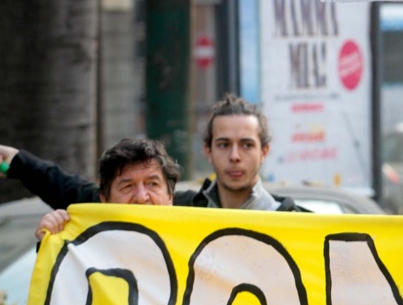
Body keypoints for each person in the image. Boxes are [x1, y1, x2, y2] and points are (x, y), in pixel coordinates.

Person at [1, 94, 300, 211]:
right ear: (207, 151)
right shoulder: (174, 207)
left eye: (247, 144)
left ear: (265, 151)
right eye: (224, 144)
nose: (235, 156)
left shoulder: (295, 222)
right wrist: (17, 163)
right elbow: (83, 195)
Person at [34, 137, 181, 240]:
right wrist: (51, 241)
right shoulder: (82, 252)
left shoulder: (199, 250)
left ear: (170, 197)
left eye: (152, 184)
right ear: (104, 199)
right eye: (128, 186)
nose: (141, 197)